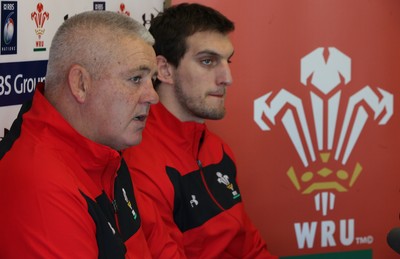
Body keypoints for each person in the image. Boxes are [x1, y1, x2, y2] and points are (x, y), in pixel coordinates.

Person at [0, 11, 181, 258]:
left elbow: (156, 243)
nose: (153, 96)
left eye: (151, 80)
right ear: (81, 85)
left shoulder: (109, 148)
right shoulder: (39, 185)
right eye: (135, 78)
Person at [123, 3, 278, 258]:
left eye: (227, 61)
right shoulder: (138, 163)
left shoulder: (217, 149)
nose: (227, 78)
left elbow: (251, 249)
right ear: (164, 70)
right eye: (207, 61)